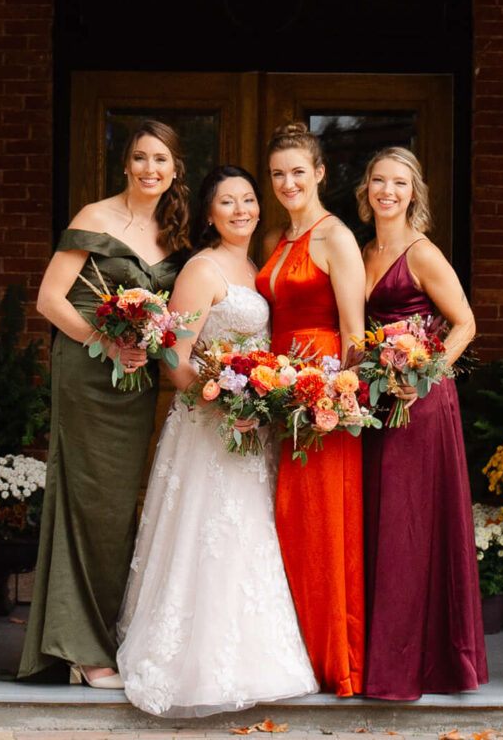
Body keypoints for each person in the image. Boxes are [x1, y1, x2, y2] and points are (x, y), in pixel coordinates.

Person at [115, 165, 318, 718]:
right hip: (209, 428)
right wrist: (225, 400)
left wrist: (261, 400)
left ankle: (257, 658)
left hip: (253, 428)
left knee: (249, 534)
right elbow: (174, 359)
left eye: (248, 200)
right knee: (209, 535)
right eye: (227, 202)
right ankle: (193, 662)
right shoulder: (202, 269)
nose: (241, 210)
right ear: (209, 213)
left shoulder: (259, 265)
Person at [18, 120, 188, 687]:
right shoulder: (94, 217)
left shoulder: (172, 234)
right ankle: (84, 650)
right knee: (88, 501)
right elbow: (49, 298)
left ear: (174, 169)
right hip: (87, 375)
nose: (149, 169)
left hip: (134, 383)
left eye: (160, 160)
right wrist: (102, 340)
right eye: (140, 158)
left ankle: (108, 636)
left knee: (118, 512)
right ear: (125, 165)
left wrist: (150, 344)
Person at [358, 146, 487, 700]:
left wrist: (428, 371)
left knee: (412, 526)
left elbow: (464, 323)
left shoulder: (422, 252)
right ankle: (375, 656)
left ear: (414, 194)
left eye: (400, 183)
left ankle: (417, 665)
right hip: (374, 402)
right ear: (365, 190)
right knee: (378, 522)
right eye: (379, 181)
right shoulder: (363, 249)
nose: (389, 191)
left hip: (419, 400)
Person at [259, 120, 368, 697]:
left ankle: (335, 661)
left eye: (298, 171)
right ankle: (294, 651)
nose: (288, 182)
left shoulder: (335, 237)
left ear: (320, 172)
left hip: (323, 396)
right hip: (282, 396)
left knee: (322, 526)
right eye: (278, 173)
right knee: (289, 524)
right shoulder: (280, 237)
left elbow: (354, 331)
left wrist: (338, 399)